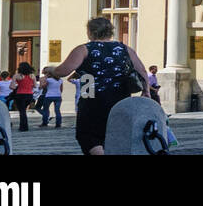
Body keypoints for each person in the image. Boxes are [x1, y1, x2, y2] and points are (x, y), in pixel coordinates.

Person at [51, 16, 151, 156]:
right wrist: (146, 91)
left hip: (92, 99)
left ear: (90, 32)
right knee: (115, 134)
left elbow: (63, 71)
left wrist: (51, 70)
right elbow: (142, 70)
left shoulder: (84, 49)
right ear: (110, 31)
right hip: (120, 99)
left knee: (87, 136)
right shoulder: (124, 49)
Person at [11, 62, 37, 132]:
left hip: (20, 94)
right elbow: (35, 86)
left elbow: (12, 87)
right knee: (24, 110)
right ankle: (24, 126)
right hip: (29, 95)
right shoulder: (32, 76)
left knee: (22, 111)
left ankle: (23, 127)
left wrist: (17, 85)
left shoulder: (16, 76)